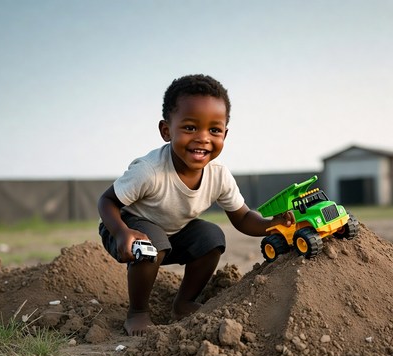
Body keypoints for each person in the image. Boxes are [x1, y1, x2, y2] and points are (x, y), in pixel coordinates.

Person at [98, 74, 294, 336]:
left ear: (225, 133)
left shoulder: (219, 174)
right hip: (126, 229)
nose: (203, 138)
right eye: (190, 128)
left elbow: (244, 217)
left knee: (211, 236)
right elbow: (107, 201)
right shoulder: (149, 170)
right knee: (152, 240)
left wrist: (272, 224)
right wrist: (121, 232)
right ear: (166, 130)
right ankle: (138, 312)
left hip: (171, 235)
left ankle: (184, 302)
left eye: (214, 130)